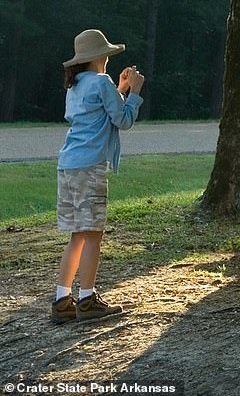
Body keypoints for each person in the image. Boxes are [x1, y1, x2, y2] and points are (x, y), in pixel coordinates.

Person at [51, 29, 145, 323]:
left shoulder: (75, 85)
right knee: (93, 235)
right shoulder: (101, 82)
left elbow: (100, 111)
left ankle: (61, 300)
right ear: (99, 57)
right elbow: (122, 119)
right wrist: (135, 94)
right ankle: (88, 300)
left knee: (77, 235)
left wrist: (120, 88)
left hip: (67, 166)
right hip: (90, 167)